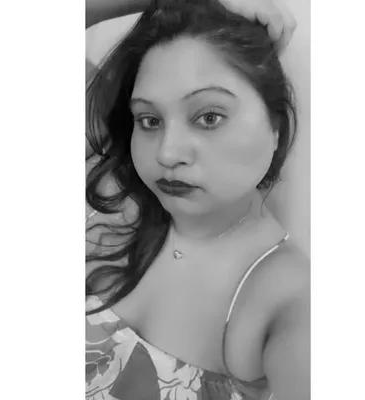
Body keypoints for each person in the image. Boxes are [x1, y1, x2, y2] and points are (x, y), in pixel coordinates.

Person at [85, 1, 309, 400]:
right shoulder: (117, 191)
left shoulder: (288, 300)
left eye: (208, 117)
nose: (167, 153)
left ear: (275, 125)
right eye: (150, 120)